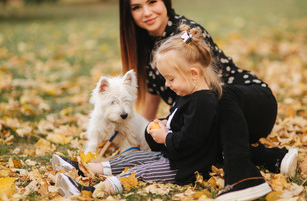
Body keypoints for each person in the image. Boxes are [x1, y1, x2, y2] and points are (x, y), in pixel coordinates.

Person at [118, 0, 298, 201]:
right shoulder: (145, 46)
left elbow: (207, 97)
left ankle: (243, 178)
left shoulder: (185, 35)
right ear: (128, 13)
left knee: (211, 100)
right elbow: (153, 97)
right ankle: (272, 157)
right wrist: (144, 135)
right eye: (136, 7)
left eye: (152, 1)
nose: (147, 12)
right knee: (188, 137)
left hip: (252, 104)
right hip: (216, 118)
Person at [54, 25, 222, 198]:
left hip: (186, 166)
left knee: (140, 172)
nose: (166, 85)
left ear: (193, 73)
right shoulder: (187, 94)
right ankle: (81, 169)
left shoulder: (204, 103)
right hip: (170, 155)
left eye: (170, 78)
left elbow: (190, 141)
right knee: (133, 158)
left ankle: (88, 191)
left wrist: (165, 137)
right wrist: (164, 122)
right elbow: (179, 120)